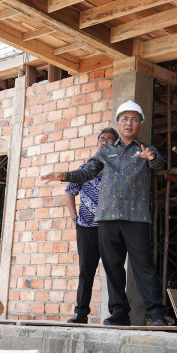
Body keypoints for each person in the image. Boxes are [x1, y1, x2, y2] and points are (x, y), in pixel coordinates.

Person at [42, 100, 168, 326]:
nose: (129, 123)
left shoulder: (146, 150)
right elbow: (85, 173)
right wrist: (62, 175)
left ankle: (157, 314)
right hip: (107, 218)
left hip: (136, 217)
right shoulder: (106, 152)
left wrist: (152, 159)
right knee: (113, 267)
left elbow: (160, 165)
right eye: (125, 119)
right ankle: (119, 313)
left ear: (140, 124)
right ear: (118, 123)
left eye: (134, 119)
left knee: (144, 266)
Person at [64, 127, 119, 324]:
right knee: (86, 270)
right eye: (102, 139)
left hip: (110, 227)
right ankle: (80, 313)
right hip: (86, 226)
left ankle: (116, 314)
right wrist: (74, 218)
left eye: (110, 140)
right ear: (97, 143)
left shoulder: (117, 169)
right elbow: (70, 191)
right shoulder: (86, 167)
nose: (105, 142)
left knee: (113, 270)